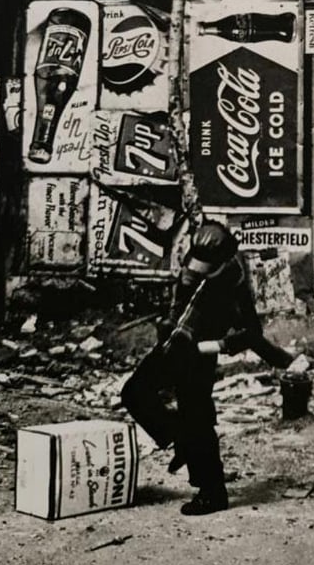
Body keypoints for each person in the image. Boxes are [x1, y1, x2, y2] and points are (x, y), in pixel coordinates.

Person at [121, 219, 292, 516]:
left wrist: (215, 346)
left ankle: (212, 493)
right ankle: (182, 440)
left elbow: (251, 332)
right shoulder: (200, 256)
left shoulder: (234, 283)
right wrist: (168, 320)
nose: (195, 272)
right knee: (137, 395)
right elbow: (181, 296)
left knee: (194, 417)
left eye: (205, 269)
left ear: (223, 262)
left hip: (198, 351)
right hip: (174, 342)